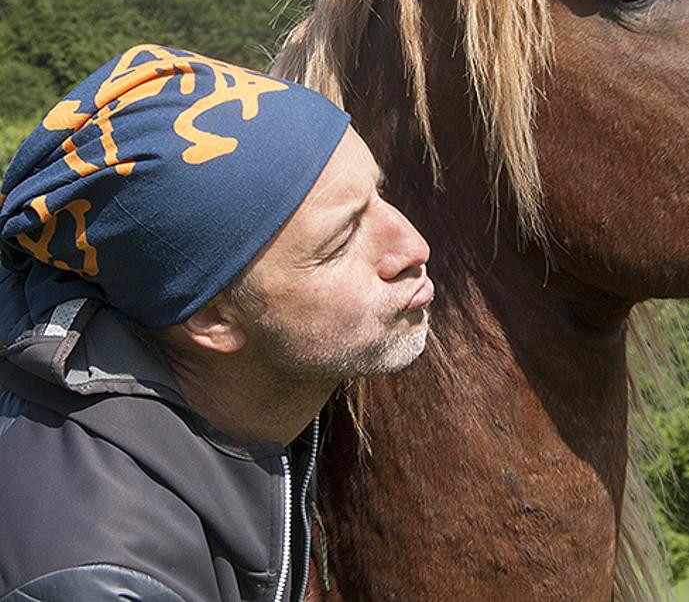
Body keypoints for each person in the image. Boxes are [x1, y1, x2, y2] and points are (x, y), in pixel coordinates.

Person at [0, 44, 433, 601]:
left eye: (378, 194)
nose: (412, 245)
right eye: (341, 241)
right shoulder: (101, 578)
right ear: (211, 318)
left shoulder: (230, 392)